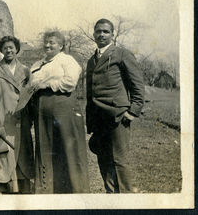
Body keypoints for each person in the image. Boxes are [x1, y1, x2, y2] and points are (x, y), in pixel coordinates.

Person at [86, 19, 145, 193]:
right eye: (98, 31)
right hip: (99, 119)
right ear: (94, 34)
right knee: (104, 159)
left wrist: (133, 111)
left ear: (112, 34)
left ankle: (126, 201)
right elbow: (90, 92)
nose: (101, 34)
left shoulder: (122, 54)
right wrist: (90, 120)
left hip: (118, 116)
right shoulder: (91, 60)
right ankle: (112, 197)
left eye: (105, 31)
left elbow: (137, 85)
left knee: (120, 160)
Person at [28, 29, 90, 194]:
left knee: (68, 147)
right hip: (42, 110)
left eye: (52, 43)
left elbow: (70, 82)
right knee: (45, 148)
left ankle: (75, 190)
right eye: (46, 42)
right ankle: (47, 190)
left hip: (64, 107)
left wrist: (47, 84)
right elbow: (31, 84)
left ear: (61, 45)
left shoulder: (67, 60)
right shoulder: (36, 65)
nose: (48, 45)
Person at [0, 36, 34, 193]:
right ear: (1, 50)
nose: (8, 50)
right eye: (5, 47)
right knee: (5, 156)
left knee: (22, 155)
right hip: (3, 120)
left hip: (22, 120)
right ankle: (8, 190)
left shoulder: (27, 70)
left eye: (11, 47)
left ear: (17, 49)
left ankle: (24, 190)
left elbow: (30, 97)